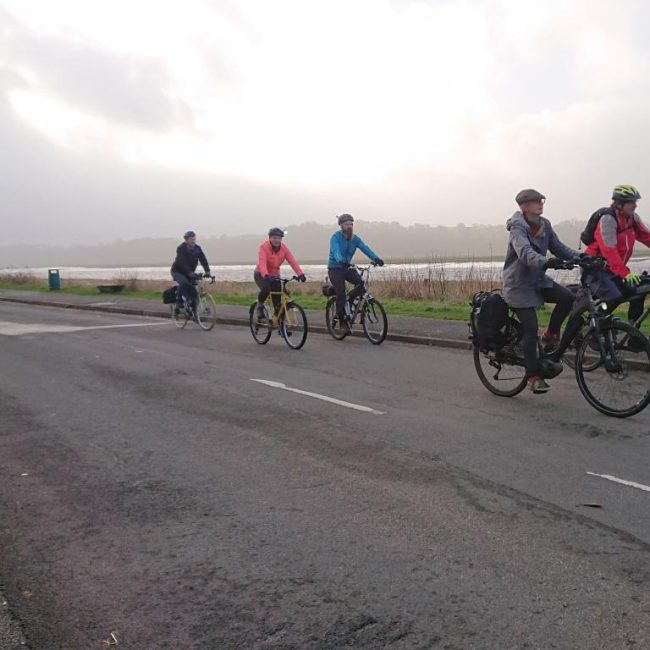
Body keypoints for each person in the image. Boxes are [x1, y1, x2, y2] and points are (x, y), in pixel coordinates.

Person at [503, 189, 580, 394]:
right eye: (535, 201)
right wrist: (546, 262)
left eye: (541, 200)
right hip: (518, 285)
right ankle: (533, 376)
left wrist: (582, 258)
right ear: (524, 206)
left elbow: (559, 248)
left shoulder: (544, 225)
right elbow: (525, 253)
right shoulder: (517, 228)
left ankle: (550, 336)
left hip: (537, 280)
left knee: (567, 298)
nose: (540, 203)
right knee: (530, 328)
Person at [583, 185, 650, 323]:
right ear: (619, 204)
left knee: (639, 291)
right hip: (597, 268)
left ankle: (633, 332)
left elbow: (646, 237)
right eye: (631, 202)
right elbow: (609, 251)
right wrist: (625, 273)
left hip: (614, 269)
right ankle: (595, 326)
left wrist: (623, 272)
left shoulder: (632, 218)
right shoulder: (608, 219)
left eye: (635, 202)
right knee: (613, 297)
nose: (635, 206)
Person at [328, 214, 384, 333]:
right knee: (341, 293)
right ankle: (342, 321)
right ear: (341, 226)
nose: (349, 226)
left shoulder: (355, 239)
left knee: (360, 283)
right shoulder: (335, 237)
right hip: (335, 269)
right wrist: (341, 260)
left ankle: (349, 301)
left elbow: (365, 248)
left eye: (351, 224)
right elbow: (336, 250)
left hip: (347, 267)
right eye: (347, 224)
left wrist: (376, 259)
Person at [254, 228, 306, 319]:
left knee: (277, 301)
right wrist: (265, 275)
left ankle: (279, 324)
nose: (276, 240)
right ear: (270, 238)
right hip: (261, 274)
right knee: (266, 290)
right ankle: (259, 306)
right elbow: (262, 262)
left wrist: (300, 274)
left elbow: (292, 261)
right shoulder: (264, 247)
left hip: (275, 275)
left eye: (279, 238)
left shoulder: (284, 248)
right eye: (274, 238)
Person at [170, 230, 212, 312]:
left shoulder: (197, 248)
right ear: (186, 240)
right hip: (177, 271)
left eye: (194, 239)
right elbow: (181, 263)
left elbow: (203, 260)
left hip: (189, 272)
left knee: (193, 290)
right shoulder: (181, 248)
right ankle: (178, 300)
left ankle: (193, 313)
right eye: (191, 239)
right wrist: (189, 273)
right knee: (184, 283)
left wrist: (207, 271)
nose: (193, 241)